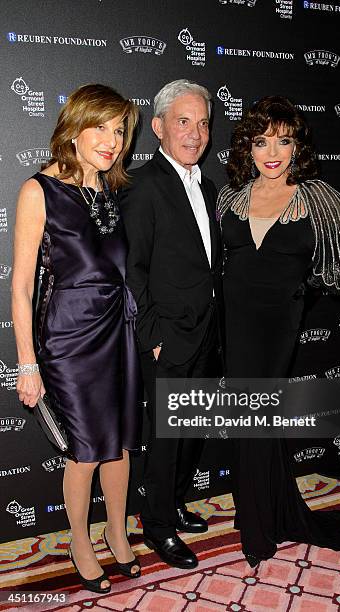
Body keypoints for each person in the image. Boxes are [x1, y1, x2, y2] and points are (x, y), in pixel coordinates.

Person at [217, 96, 340, 567]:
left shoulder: (315, 196)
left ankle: (257, 529)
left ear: (297, 146)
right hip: (234, 322)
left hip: (277, 325)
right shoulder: (230, 198)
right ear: (248, 148)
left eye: (283, 140)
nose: (272, 151)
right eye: (261, 141)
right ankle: (271, 509)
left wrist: (310, 285)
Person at [12, 84, 141, 593]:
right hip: (68, 340)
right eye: (101, 127)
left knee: (120, 446)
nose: (112, 141)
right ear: (75, 125)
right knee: (86, 449)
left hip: (117, 332)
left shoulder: (110, 189)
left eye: (119, 131)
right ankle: (79, 540)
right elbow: (21, 286)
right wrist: (27, 363)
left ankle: (115, 529)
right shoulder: (38, 191)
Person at [120, 79, 222, 569]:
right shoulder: (142, 187)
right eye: (184, 122)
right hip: (168, 340)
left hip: (206, 336)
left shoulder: (208, 183)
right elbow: (131, 272)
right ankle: (156, 525)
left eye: (202, 123)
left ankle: (176, 502)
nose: (195, 133)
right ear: (158, 127)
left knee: (193, 431)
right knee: (164, 440)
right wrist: (154, 339)